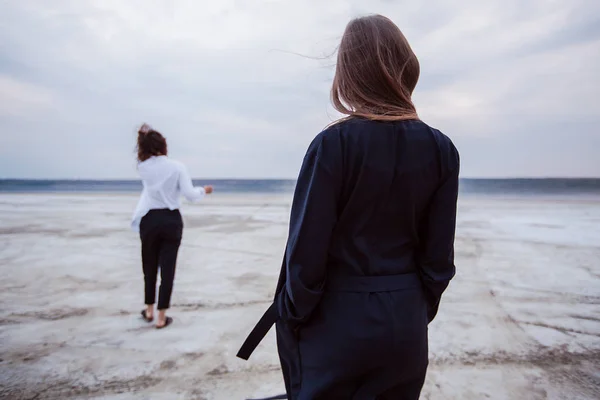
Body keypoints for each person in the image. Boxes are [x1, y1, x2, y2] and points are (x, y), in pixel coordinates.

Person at [237, 14, 459, 399]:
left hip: (335, 324)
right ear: (405, 68)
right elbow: (438, 261)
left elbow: (305, 255)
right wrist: (412, 309)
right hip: (405, 324)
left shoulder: (333, 145)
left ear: (348, 74)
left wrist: (295, 314)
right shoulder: (442, 149)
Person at [131, 123, 213, 329]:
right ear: (163, 145)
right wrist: (204, 190)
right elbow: (190, 195)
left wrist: (144, 134)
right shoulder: (177, 167)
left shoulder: (143, 167)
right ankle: (161, 317)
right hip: (171, 220)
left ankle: (148, 310)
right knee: (168, 270)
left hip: (149, 219)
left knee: (148, 267)